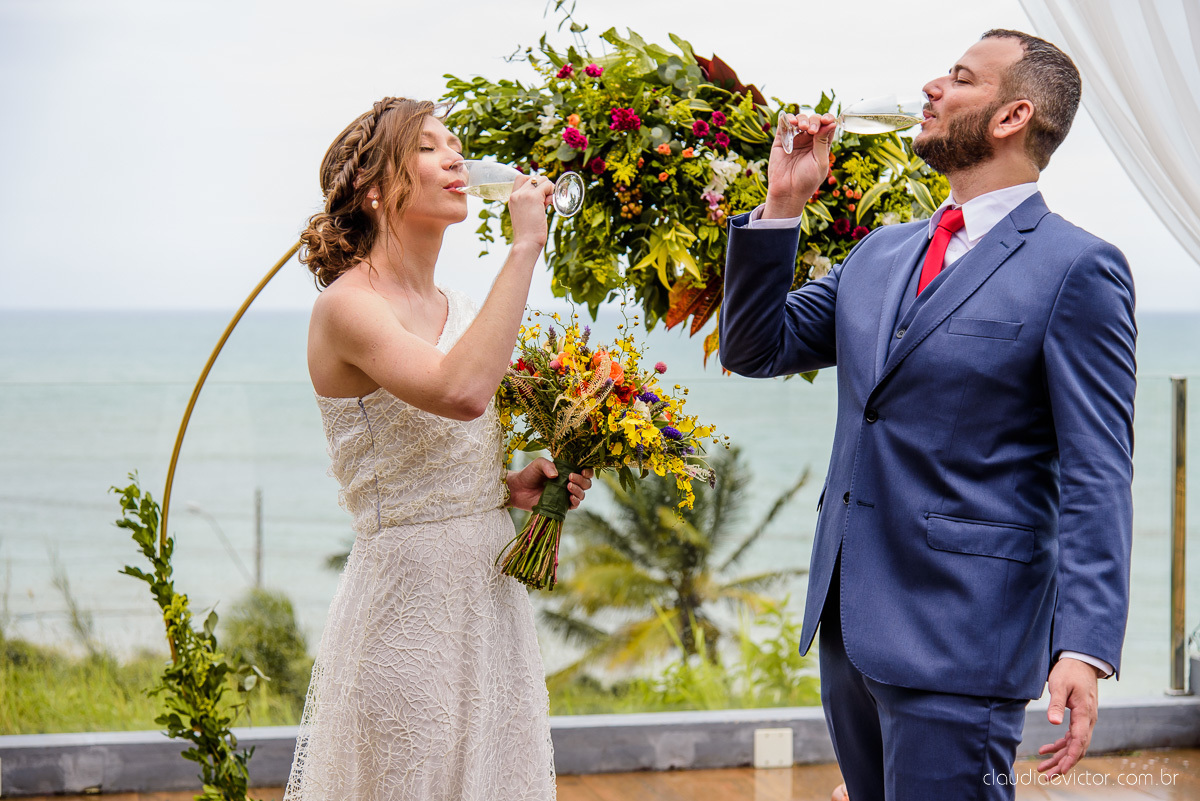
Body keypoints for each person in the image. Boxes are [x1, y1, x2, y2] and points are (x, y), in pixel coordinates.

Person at [719, 31, 1135, 801]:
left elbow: (1097, 470)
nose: (932, 87)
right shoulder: (881, 253)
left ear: (1013, 115)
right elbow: (753, 345)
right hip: (848, 626)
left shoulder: (1079, 268)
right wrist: (783, 204)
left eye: (959, 78)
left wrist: (1085, 644)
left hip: (963, 637)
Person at [284, 97, 593, 801]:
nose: (455, 157)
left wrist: (507, 486)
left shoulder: (453, 304)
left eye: (455, 143)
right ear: (373, 187)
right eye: (429, 146)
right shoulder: (347, 305)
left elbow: (447, 438)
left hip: (487, 601)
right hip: (405, 613)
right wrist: (524, 247)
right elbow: (461, 392)